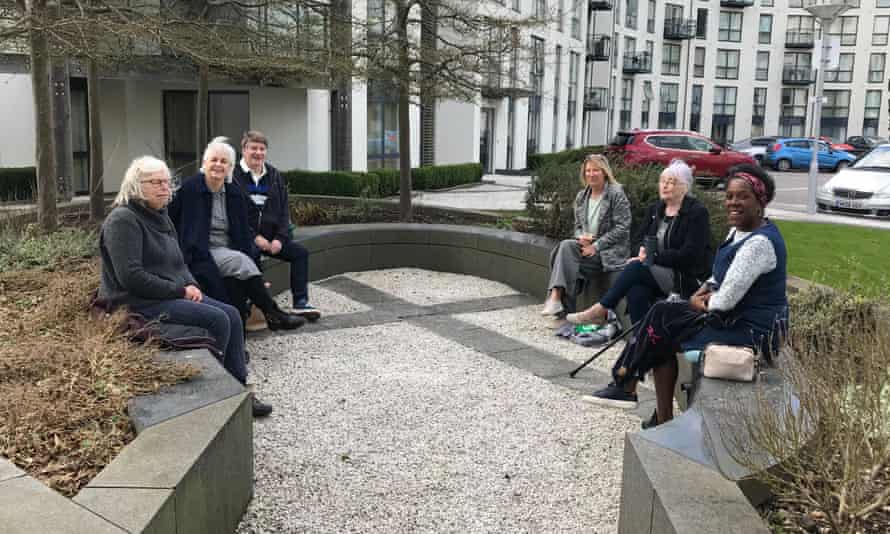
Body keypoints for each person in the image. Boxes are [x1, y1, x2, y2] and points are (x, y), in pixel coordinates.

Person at [583, 164, 788, 428]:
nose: (733, 202)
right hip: (732, 318)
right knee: (660, 318)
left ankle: (628, 385)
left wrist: (696, 299)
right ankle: (640, 397)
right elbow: (720, 275)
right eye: (729, 196)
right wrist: (705, 289)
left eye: (742, 196)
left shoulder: (759, 243)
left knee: (661, 323)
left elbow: (725, 301)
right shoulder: (740, 231)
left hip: (752, 330)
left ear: (760, 201)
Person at [97, 156, 273, 417]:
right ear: (135, 185)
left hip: (166, 294)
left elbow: (178, 263)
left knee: (233, 315)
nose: (164, 188)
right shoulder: (123, 220)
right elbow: (131, 277)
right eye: (155, 182)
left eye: (167, 182)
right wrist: (180, 291)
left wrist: (190, 284)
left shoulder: (160, 216)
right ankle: (218, 395)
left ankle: (239, 390)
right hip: (137, 301)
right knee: (217, 320)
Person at [168, 137, 304, 332]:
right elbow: (168, 221)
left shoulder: (234, 193)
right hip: (199, 253)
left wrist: (255, 274)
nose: (218, 165)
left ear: (230, 167)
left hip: (228, 252)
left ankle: (237, 344)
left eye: (224, 161)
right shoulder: (190, 189)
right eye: (213, 160)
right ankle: (273, 313)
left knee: (235, 284)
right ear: (204, 163)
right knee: (240, 264)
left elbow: (244, 235)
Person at [566, 159, 711, 326]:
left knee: (635, 268)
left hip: (683, 277)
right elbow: (636, 240)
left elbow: (691, 255)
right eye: (662, 181)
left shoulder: (696, 212)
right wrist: (641, 252)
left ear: (684, 187)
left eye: (671, 182)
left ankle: (602, 309)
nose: (665, 186)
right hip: (654, 270)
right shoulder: (656, 209)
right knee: (636, 291)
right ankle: (641, 341)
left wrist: (653, 257)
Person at [233, 130, 320, 321]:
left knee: (300, 253)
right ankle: (254, 304)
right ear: (244, 150)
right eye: (253, 148)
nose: (258, 153)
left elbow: (283, 210)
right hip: (246, 238)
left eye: (262, 149)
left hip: (273, 237)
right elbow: (234, 214)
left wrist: (280, 238)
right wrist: (255, 237)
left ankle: (300, 302)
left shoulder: (273, 175)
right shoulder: (233, 176)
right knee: (252, 255)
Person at [541, 154, 631, 317]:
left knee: (564, 254)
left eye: (595, 170)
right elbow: (577, 227)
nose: (591, 174)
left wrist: (596, 246)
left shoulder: (616, 194)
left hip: (609, 253)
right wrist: (581, 237)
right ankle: (557, 303)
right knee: (566, 247)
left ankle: (556, 301)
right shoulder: (582, 196)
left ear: (604, 172)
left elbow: (623, 227)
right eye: (588, 171)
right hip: (587, 247)